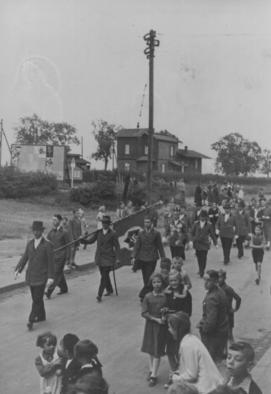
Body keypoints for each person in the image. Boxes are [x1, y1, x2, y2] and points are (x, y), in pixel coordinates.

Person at [14, 221, 54, 330]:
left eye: (38, 231)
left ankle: (31, 320)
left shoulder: (48, 245)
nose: (36, 232)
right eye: (34, 230)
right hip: (31, 276)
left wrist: (51, 277)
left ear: (42, 231)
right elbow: (25, 257)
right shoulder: (30, 243)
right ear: (33, 231)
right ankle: (42, 316)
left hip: (42, 276)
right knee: (36, 298)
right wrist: (18, 269)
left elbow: (51, 262)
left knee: (36, 299)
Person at [170, 312, 223, 394]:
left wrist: (175, 377)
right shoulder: (191, 338)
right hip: (211, 384)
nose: (169, 330)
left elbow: (191, 375)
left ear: (176, 329)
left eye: (170, 327)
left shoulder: (187, 344)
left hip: (207, 388)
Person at [82, 216, 120, 302]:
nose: (104, 225)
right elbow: (91, 241)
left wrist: (117, 258)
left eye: (106, 223)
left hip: (109, 257)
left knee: (104, 276)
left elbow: (117, 247)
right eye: (103, 223)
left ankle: (99, 294)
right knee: (104, 274)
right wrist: (83, 240)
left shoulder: (113, 234)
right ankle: (109, 289)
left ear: (109, 224)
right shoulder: (98, 233)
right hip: (99, 257)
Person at [164, 273, 192, 387]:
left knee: (180, 351)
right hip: (169, 325)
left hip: (181, 326)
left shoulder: (185, 294)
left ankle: (182, 375)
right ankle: (173, 373)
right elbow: (165, 304)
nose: (173, 283)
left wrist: (177, 317)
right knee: (170, 351)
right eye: (171, 281)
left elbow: (188, 312)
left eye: (175, 280)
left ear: (180, 281)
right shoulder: (168, 292)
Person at [141, 273, 167, 387]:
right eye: (154, 282)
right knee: (151, 348)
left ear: (162, 283)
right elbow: (144, 313)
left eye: (159, 282)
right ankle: (152, 370)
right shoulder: (148, 296)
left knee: (157, 350)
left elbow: (169, 309)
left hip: (161, 327)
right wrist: (155, 319)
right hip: (151, 325)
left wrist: (165, 313)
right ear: (151, 284)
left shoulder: (165, 296)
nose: (157, 284)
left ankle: (154, 375)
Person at [197, 270, 229, 363]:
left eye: (208, 280)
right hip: (222, 330)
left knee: (209, 361)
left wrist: (203, 329)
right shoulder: (220, 291)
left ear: (215, 281)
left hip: (213, 335)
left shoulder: (212, 297)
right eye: (204, 280)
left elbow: (211, 321)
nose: (205, 283)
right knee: (216, 360)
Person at [132, 216, 165, 301]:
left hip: (152, 258)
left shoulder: (156, 233)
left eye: (148, 222)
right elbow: (137, 246)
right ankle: (148, 294)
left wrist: (163, 257)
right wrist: (133, 257)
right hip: (142, 258)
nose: (146, 224)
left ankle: (143, 295)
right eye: (145, 222)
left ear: (152, 223)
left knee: (150, 277)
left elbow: (160, 246)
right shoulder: (141, 233)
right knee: (145, 278)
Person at [46, 214, 70, 298]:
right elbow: (47, 244)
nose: (53, 222)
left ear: (60, 221)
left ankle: (49, 291)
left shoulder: (64, 232)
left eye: (55, 220)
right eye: (52, 220)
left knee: (55, 274)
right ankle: (64, 288)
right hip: (53, 256)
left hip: (61, 257)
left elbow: (69, 246)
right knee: (59, 273)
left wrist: (68, 259)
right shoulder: (51, 232)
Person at [191, 210, 217, 278]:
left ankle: (202, 270)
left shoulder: (209, 224)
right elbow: (191, 232)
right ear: (199, 217)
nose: (202, 218)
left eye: (204, 217)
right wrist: (192, 240)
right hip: (197, 244)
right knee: (199, 257)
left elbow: (212, 234)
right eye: (201, 216)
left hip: (205, 244)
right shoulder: (196, 224)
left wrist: (215, 243)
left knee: (204, 258)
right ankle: (200, 269)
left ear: (206, 217)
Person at [218, 270, 241, 344]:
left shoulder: (227, 288)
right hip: (220, 314)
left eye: (220, 277)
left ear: (224, 278)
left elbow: (238, 298)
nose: (219, 279)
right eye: (218, 277)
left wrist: (235, 309)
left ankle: (232, 348)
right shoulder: (217, 288)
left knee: (229, 335)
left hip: (228, 314)